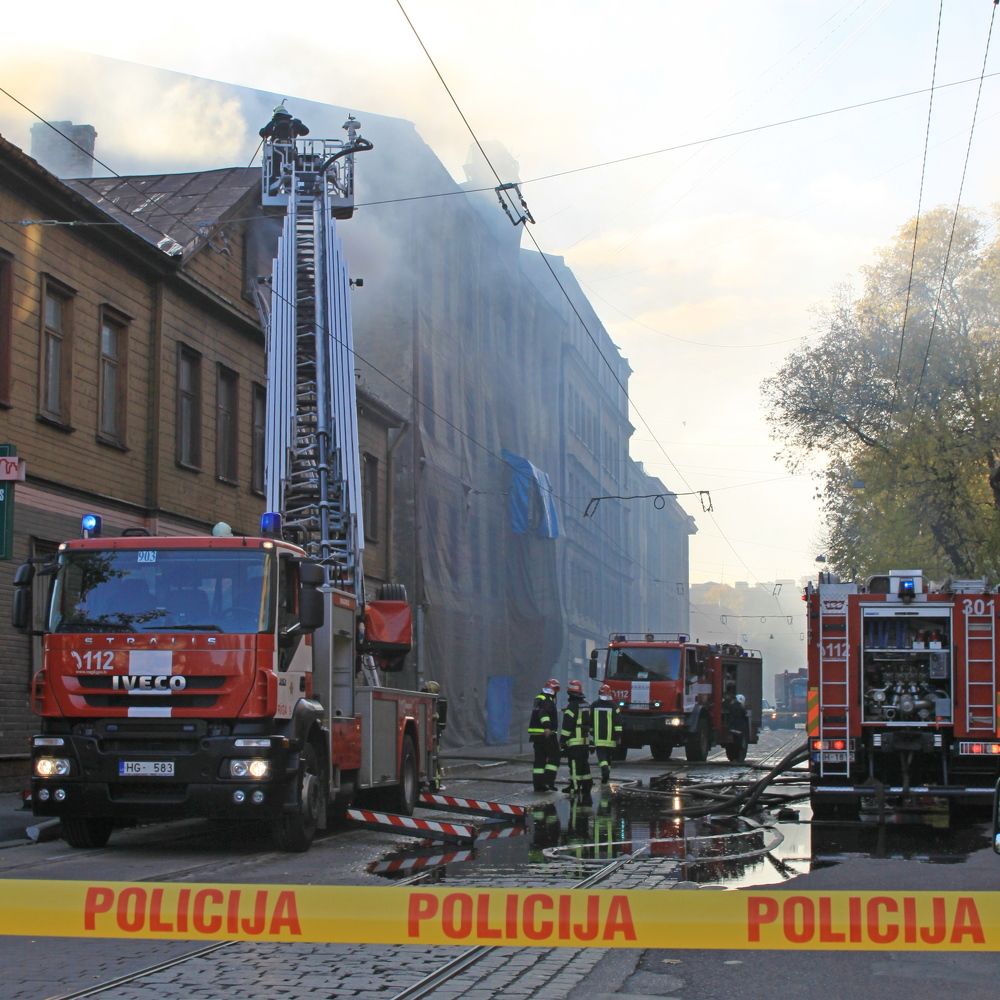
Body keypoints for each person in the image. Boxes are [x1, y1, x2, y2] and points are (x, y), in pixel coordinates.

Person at [560, 679, 592, 798]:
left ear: (570, 693)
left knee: (574, 765)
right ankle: (587, 785)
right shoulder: (586, 704)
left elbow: (567, 726)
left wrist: (562, 741)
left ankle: (574, 786)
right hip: (585, 741)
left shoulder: (571, 707)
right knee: (584, 764)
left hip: (574, 741)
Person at [528, 678, 560, 791]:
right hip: (546, 734)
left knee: (539, 760)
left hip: (536, 735)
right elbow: (543, 713)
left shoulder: (539, 698)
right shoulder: (547, 700)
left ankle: (538, 785)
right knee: (555, 757)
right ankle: (548, 781)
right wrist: (547, 726)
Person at [590, 683, 623, 783]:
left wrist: (592, 732)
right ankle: (606, 772)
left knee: (601, 757)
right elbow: (618, 723)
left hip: (598, 738)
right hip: (611, 738)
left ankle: (604, 769)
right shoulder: (614, 706)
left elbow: (590, 720)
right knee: (608, 757)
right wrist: (618, 736)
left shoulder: (594, 705)